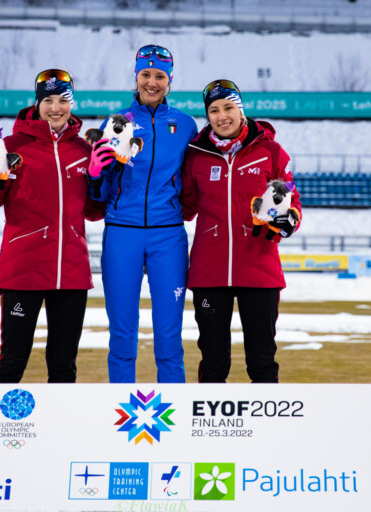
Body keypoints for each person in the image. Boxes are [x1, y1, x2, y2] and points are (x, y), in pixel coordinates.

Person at [0, 69, 104, 383]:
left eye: (63, 100)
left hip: (71, 272)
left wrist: (102, 182)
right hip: (23, 269)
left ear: (72, 104)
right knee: (13, 361)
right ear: (37, 103)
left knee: (64, 366)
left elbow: (94, 212)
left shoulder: (84, 150)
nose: (56, 108)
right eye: (48, 101)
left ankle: (60, 418)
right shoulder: (11, 147)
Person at [86, 44, 198, 383]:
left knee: (169, 335)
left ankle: (173, 408)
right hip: (122, 232)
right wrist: (95, 175)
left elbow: (193, 181)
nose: (152, 82)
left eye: (159, 76)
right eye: (145, 74)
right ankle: (121, 407)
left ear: (170, 80)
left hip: (168, 235)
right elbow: (100, 189)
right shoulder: (116, 122)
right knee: (122, 333)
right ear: (135, 77)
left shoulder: (185, 125)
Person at [180, 79, 302, 383]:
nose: (222, 116)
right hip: (209, 272)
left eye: (228, 108)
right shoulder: (196, 155)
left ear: (241, 110)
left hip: (260, 269)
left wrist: (290, 219)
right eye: (214, 110)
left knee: (262, 360)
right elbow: (185, 207)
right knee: (213, 362)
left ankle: (266, 416)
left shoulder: (271, 152)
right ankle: (208, 416)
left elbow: (291, 199)